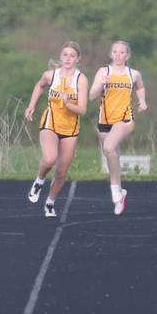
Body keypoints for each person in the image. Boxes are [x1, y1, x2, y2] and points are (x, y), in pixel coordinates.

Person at [24, 42, 89, 217]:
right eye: (65, 55)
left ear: (78, 59)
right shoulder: (51, 75)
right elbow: (39, 85)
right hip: (50, 121)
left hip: (70, 127)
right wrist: (31, 105)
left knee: (61, 172)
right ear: (61, 57)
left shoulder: (80, 79)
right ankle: (39, 181)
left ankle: (50, 203)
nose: (68, 58)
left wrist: (67, 103)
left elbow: (82, 110)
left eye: (72, 56)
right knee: (50, 158)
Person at [88, 40, 147, 216]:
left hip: (124, 119)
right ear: (110, 54)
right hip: (104, 119)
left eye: (122, 52)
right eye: (115, 52)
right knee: (111, 154)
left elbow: (140, 87)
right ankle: (120, 192)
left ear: (127, 56)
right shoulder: (103, 72)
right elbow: (91, 96)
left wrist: (142, 101)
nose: (118, 55)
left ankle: (114, 189)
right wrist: (101, 84)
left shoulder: (133, 74)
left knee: (108, 147)